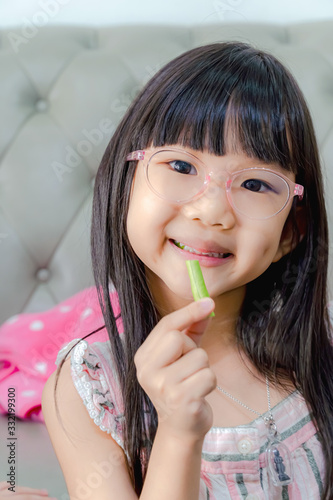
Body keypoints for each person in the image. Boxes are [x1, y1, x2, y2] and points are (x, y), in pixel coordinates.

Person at [41, 41, 333, 500]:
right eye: (181, 164)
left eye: (255, 183)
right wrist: (178, 433)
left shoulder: (322, 350)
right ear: (125, 186)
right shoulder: (88, 391)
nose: (212, 209)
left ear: (291, 233)